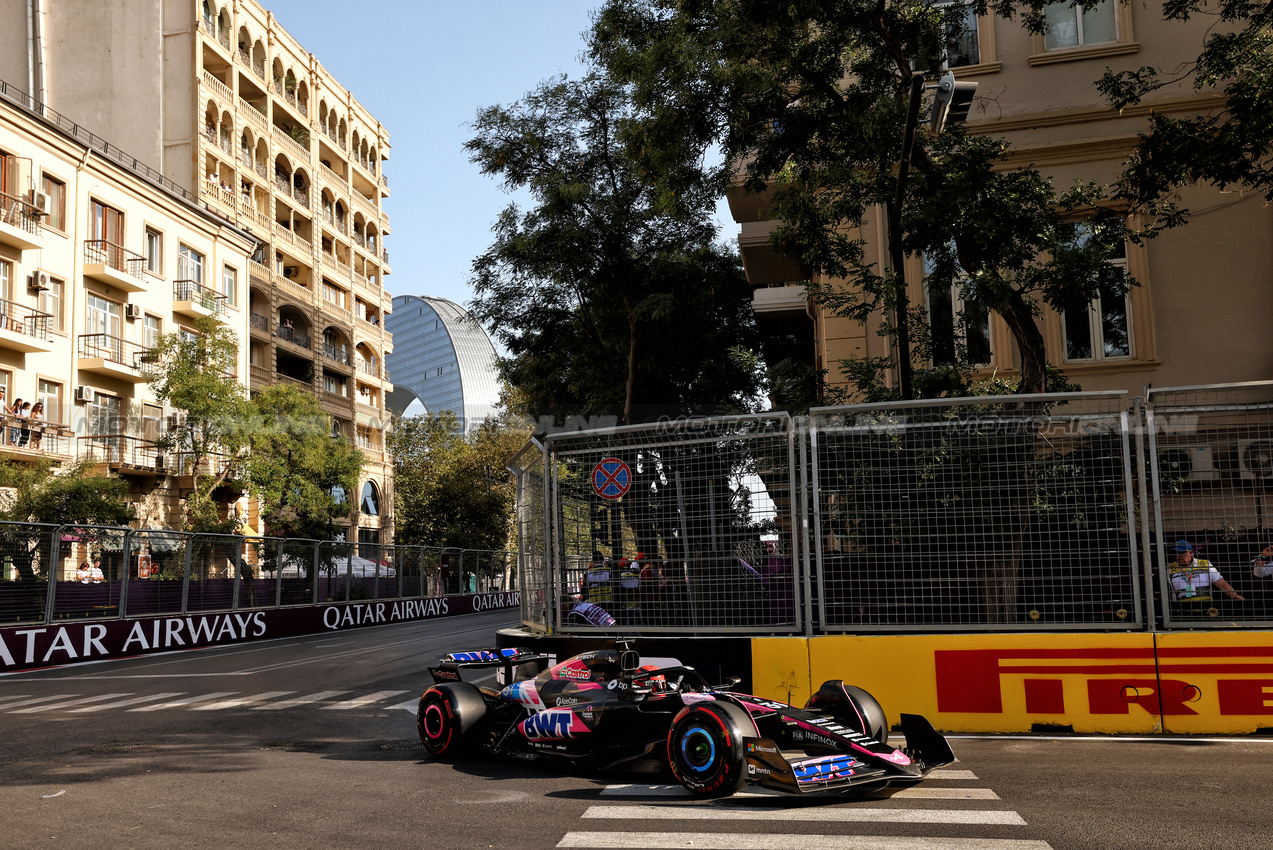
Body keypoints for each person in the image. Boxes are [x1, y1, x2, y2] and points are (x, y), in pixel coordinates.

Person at [1168, 539, 1243, 603]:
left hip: (1206, 610)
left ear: (1191, 553)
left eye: (1181, 553)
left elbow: (1221, 583)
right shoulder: (1169, 569)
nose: (1178, 556)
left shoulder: (1205, 564)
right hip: (1182, 613)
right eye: (1176, 553)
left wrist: (1235, 596)